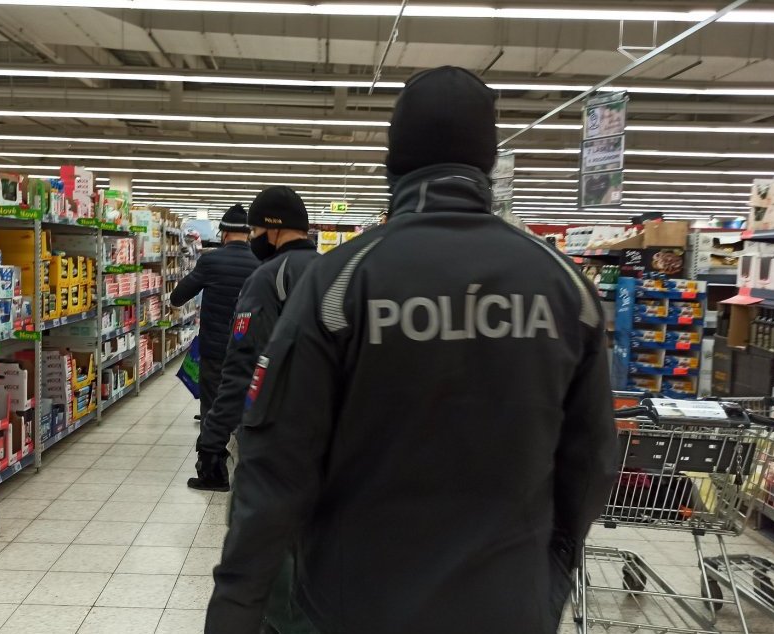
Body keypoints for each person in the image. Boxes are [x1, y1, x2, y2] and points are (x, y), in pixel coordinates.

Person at [205, 66, 618, 634]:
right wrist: (550, 579)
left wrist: (234, 609)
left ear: (392, 161)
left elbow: (274, 464)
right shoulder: (566, 288)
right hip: (507, 607)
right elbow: (591, 460)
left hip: (355, 607)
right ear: (488, 162)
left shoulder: (340, 283)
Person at [187, 186, 318, 492]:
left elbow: (242, 367)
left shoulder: (267, 277)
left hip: (275, 426)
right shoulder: (335, 270)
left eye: (256, 230)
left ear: (274, 229)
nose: (253, 237)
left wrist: (212, 442)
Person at [170, 205, 259, 421]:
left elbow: (177, 297)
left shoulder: (210, 261)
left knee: (211, 407)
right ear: (248, 234)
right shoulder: (261, 264)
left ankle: (211, 441)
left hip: (214, 351)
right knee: (242, 406)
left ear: (224, 233)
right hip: (247, 351)